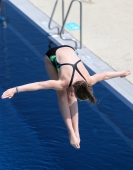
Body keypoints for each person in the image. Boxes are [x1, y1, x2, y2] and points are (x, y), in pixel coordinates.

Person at [1, 45, 131, 149]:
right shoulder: (63, 83)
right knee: (62, 93)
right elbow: (39, 84)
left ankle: (77, 132)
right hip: (52, 55)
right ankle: (71, 131)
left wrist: (121, 73)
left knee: (69, 93)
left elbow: (105, 75)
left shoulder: (89, 80)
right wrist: (15, 89)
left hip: (69, 50)